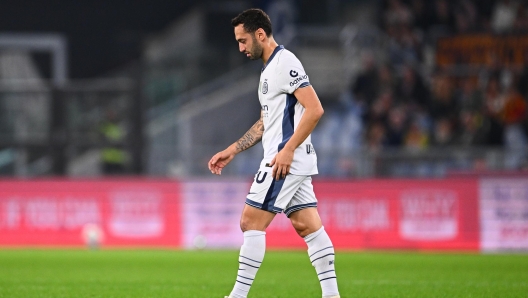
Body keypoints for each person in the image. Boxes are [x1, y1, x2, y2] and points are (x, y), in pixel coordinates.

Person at [208, 8, 340, 298]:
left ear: (260, 34)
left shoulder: (284, 62)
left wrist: (288, 150)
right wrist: (233, 150)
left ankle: (237, 296)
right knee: (307, 226)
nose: (241, 48)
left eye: (243, 41)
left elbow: (315, 108)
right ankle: (332, 295)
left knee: (250, 221)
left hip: (284, 161)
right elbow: (266, 122)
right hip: (290, 158)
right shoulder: (270, 69)